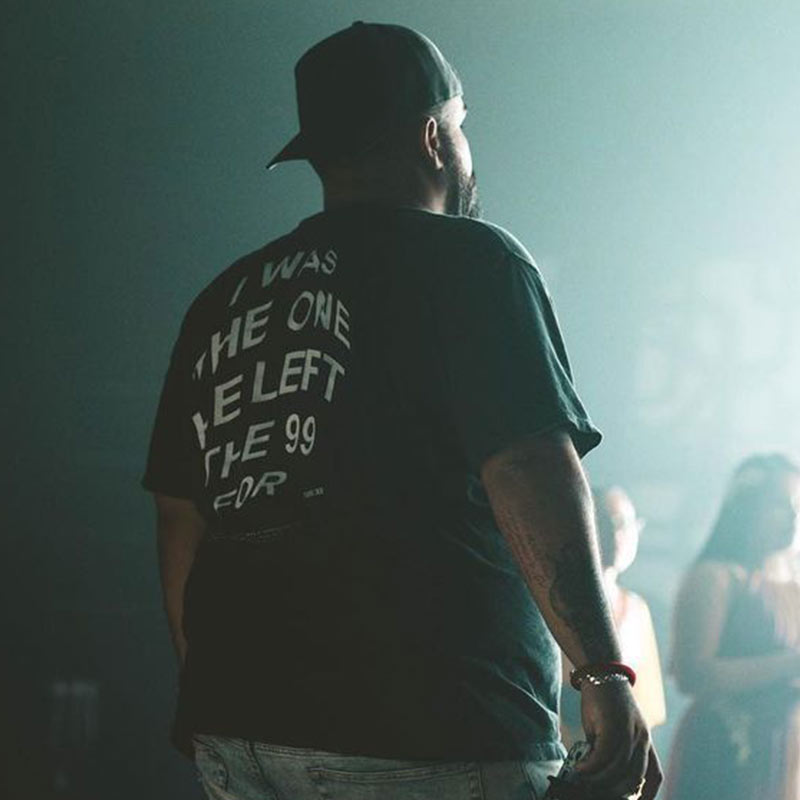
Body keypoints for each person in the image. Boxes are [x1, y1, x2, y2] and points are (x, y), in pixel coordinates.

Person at [143, 21, 660, 800]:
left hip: (239, 724)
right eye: (461, 126)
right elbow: (527, 468)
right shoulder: (475, 260)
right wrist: (601, 672)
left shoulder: (224, 299)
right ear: (432, 137)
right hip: (431, 722)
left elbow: (181, 519)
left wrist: (218, 689)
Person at [666, 454, 800, 800]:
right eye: (780, 505)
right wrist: (790, 664)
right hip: (724, 748)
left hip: (783, 748)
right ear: (747, 508)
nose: (793, 517)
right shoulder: (715, 577)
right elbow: (692, 674)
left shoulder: (794, 586)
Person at [561, 487, 666, 744]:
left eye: (624, 524)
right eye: (604, 524)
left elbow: (649, 707)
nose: (616, 534)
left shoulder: (637, 609)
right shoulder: (558, 603)